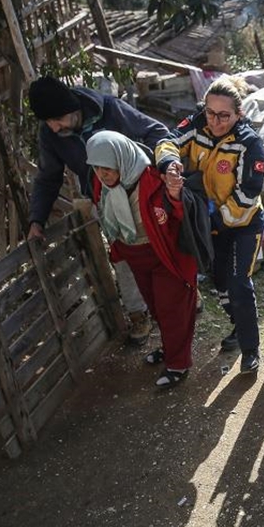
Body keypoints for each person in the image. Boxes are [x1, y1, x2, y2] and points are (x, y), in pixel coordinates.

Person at [27, 75, 175, 345]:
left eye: (56, 119)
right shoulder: (51, 133)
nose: (53, 126)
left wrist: (155, 172)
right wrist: (37, 219)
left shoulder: (109, 109)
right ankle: (138, 314)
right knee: (123, 255)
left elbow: (157, 132)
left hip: (141, 193)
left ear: (71, 109)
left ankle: (183, 293)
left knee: (162, 243)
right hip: (104, 202)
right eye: (47, 121)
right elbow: (49, 177)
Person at [157, 77, 264, 376]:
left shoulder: (249, 145)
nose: (216, 121)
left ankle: (250, 349)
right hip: (208, 226)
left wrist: (212, 221)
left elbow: (247, 195)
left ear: (239, 114)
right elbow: (166, 140)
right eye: (210, 112)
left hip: (242, 225)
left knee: (237, 283)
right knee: (220, 284)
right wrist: (169, 163)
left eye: (224, 115)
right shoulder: (195, 125)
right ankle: (239, 325)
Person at [85, 131, 200, 389]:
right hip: (135, 255)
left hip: (164, 256)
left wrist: (175, 195)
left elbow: (180, 214)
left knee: (173, 311)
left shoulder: (152, 178)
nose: (103, 174)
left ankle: (178, 365)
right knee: (156, 307)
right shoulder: (101, 184)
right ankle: (168, 349)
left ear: (121, 160)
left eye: (108, 168)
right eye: (97, 168)